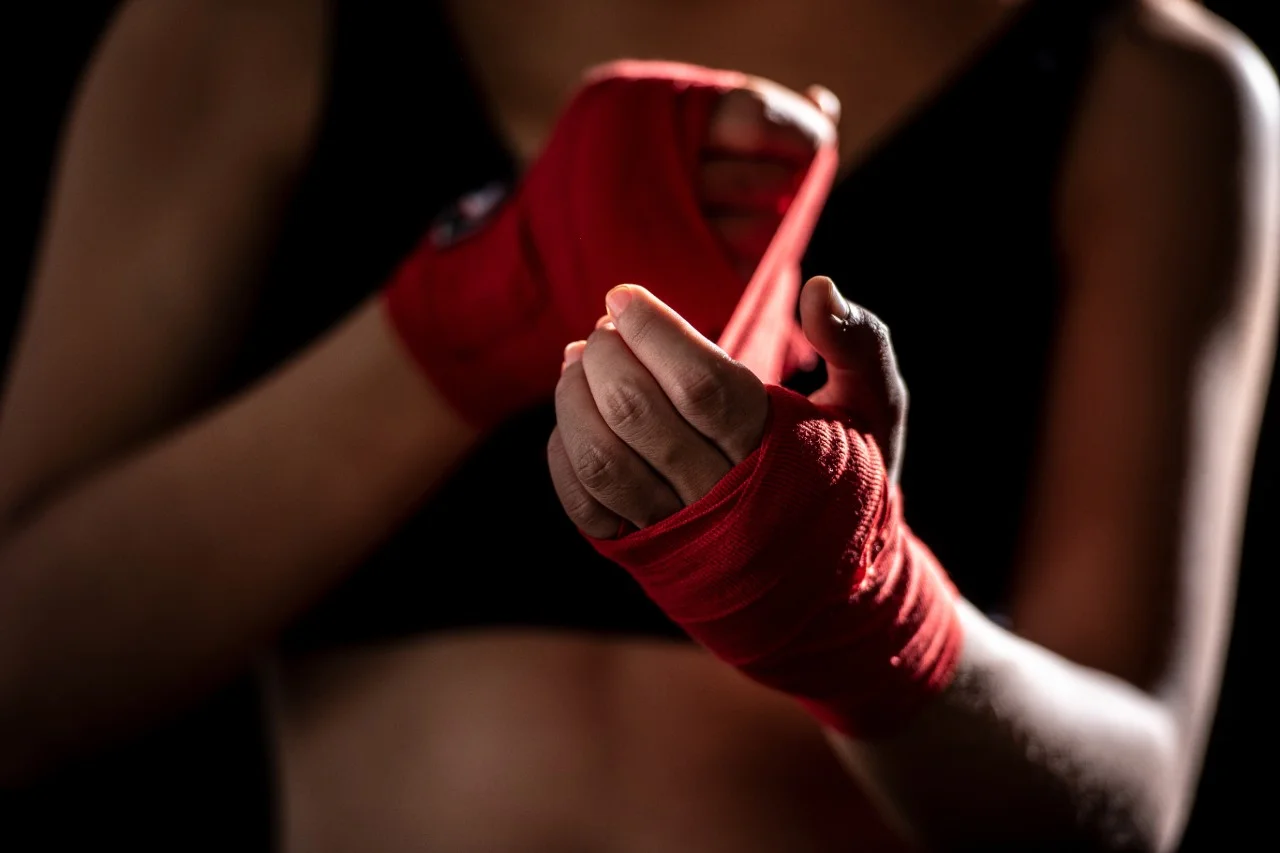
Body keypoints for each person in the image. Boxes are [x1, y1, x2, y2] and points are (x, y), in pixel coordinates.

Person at [1, 0, 1276, 850]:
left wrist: (868, 613)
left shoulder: (1149, 85)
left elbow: (1134, 792)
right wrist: (469, 312)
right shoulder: (246, 34)